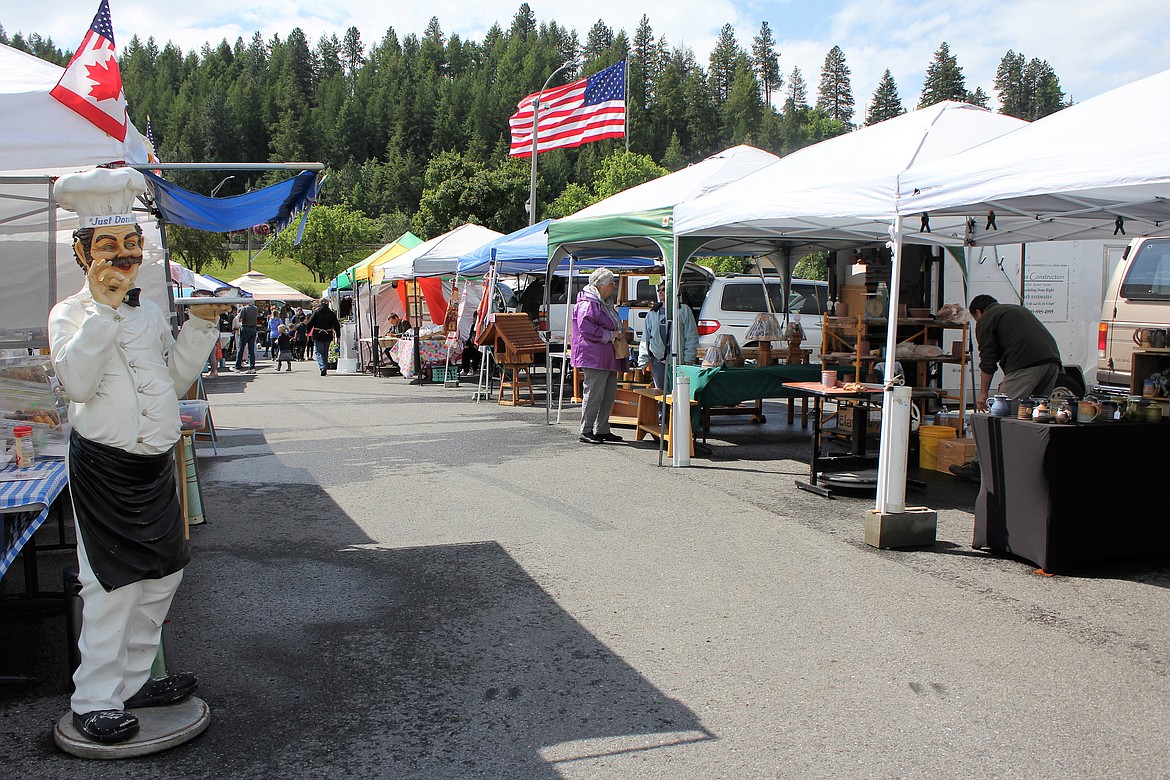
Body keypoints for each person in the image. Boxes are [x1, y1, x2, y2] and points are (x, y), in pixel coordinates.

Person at [48, 168, 229, 745]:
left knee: (162, 576)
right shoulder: (68, 315)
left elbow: (172, 382)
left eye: (130, 244)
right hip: (105, 468)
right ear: (83, 254)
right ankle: (93, 698)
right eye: (108, 247)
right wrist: (100, 311)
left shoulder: (149, 313)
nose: (123, 257)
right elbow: (76, 384)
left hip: (152, 468)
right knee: (109, 587)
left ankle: (131, 680)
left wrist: (198, 330)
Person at [950, 294, 1062, 481]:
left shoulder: (986, 319)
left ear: (978, 312)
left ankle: (978, 466)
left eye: (975, 317)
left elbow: (988, 359)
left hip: (1026, 364)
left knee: (998, 414)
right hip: (1051, 362)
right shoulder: (1014, 310)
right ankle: (1030, 464)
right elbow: (1016, 342)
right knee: (1034, 417)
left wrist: (983, 393)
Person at [571, 268, 627, 444]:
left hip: (607, 356)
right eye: (612, 283)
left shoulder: (602, 301)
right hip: (593, 356)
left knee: (608, 394)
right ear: (602, 284)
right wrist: (611, 335)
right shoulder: (589, 302)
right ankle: (586, 430)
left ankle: (602, 428)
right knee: (594, 394)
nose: (613, 286)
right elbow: (586, 329)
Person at [638, 281, 699, 391]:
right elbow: (645, 339)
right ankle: (662, 409)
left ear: (672, 292)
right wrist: (643, 361)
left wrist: (689, 357)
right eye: (659, 290)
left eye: (663, 289)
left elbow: (691, 336)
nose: (660, 292)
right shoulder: (652, 313)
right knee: (660, 392)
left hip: (678, 359)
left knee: (679, 392)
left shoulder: (683, 310)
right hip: (658, 359)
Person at [306, 298, 342, 376]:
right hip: (328, 334)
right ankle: (324, 366)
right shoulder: (331, 313)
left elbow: (310, 323)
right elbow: (336, 325)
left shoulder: (317, 312)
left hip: (318, 334)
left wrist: (307, 331)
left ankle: (322, 367)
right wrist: (338, 335)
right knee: (325, 352)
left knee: (319, 352)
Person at [234, 299, 259, 372]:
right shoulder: (256, 309)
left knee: (241, 348)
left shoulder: (244, 309)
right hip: (253, 328)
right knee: (251, 349)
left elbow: (240, 319)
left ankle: (237, 366)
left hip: (245, 328)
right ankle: (252, 367)